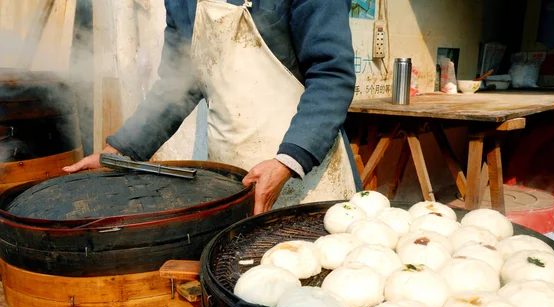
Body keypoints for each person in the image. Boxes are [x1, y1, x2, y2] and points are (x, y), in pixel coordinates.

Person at [64, 0, 361, 214]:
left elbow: (331, 75)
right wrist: (119, 152)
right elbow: (175, 87)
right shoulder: (182, 4)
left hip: (305, 174)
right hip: (232, 180)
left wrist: (287, 162)